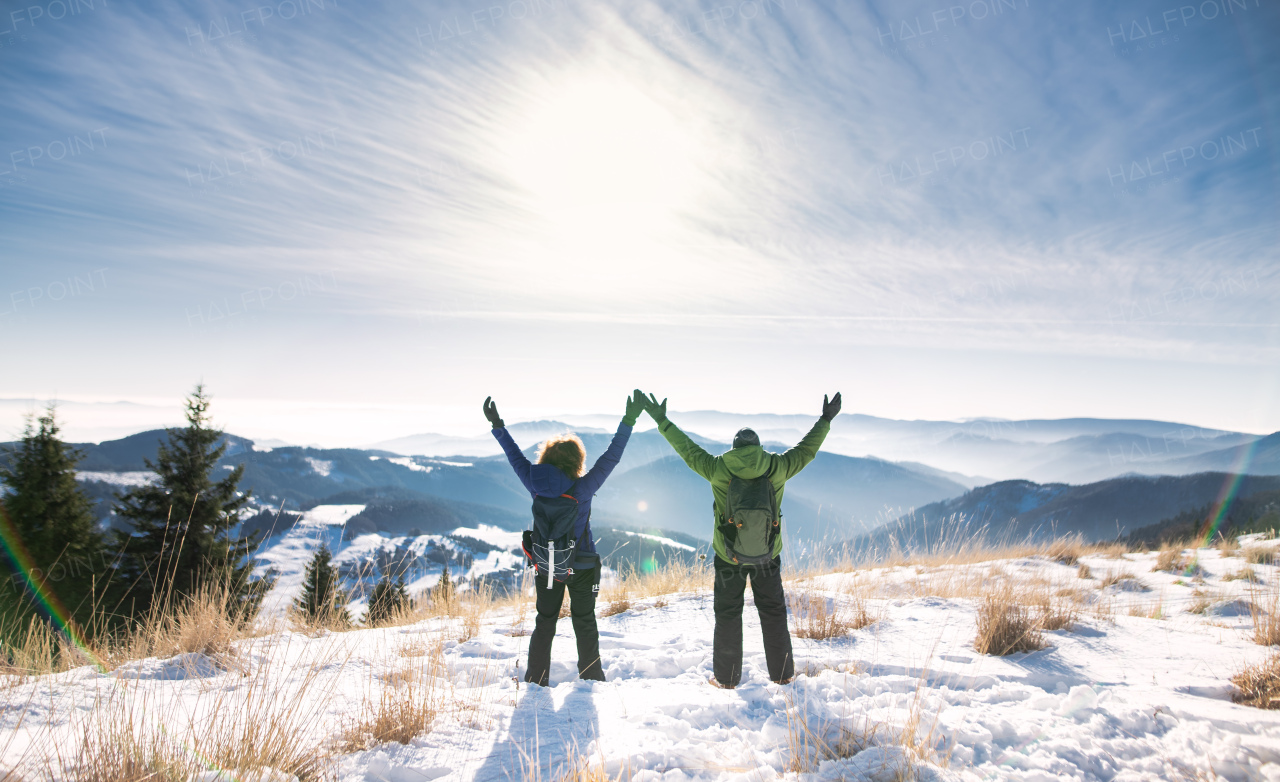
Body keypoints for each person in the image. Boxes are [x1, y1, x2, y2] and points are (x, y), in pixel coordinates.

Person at [640, 391, 841, 688]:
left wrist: (662, 420)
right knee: (773, 613)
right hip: (767, 556)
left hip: (727, 556)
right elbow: (806, 450)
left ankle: (726, 679)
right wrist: (825, 420)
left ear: (734, 448)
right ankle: (783, 675)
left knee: (728, 615)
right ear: (759, 447)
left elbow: (688, 451)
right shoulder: (777, 467)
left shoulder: (718, 468)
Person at [484, 391, 645, 686]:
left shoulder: (533, 482)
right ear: (576, 461)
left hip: (546, 567)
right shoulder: (582, 489)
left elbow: (514, 456)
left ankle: (535, 679)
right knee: (584, 622)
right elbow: (612, 457)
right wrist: (629, 420)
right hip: (581, 565)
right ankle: (592, 679)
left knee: (544, 622)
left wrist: (498, 426)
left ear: (545, 459)